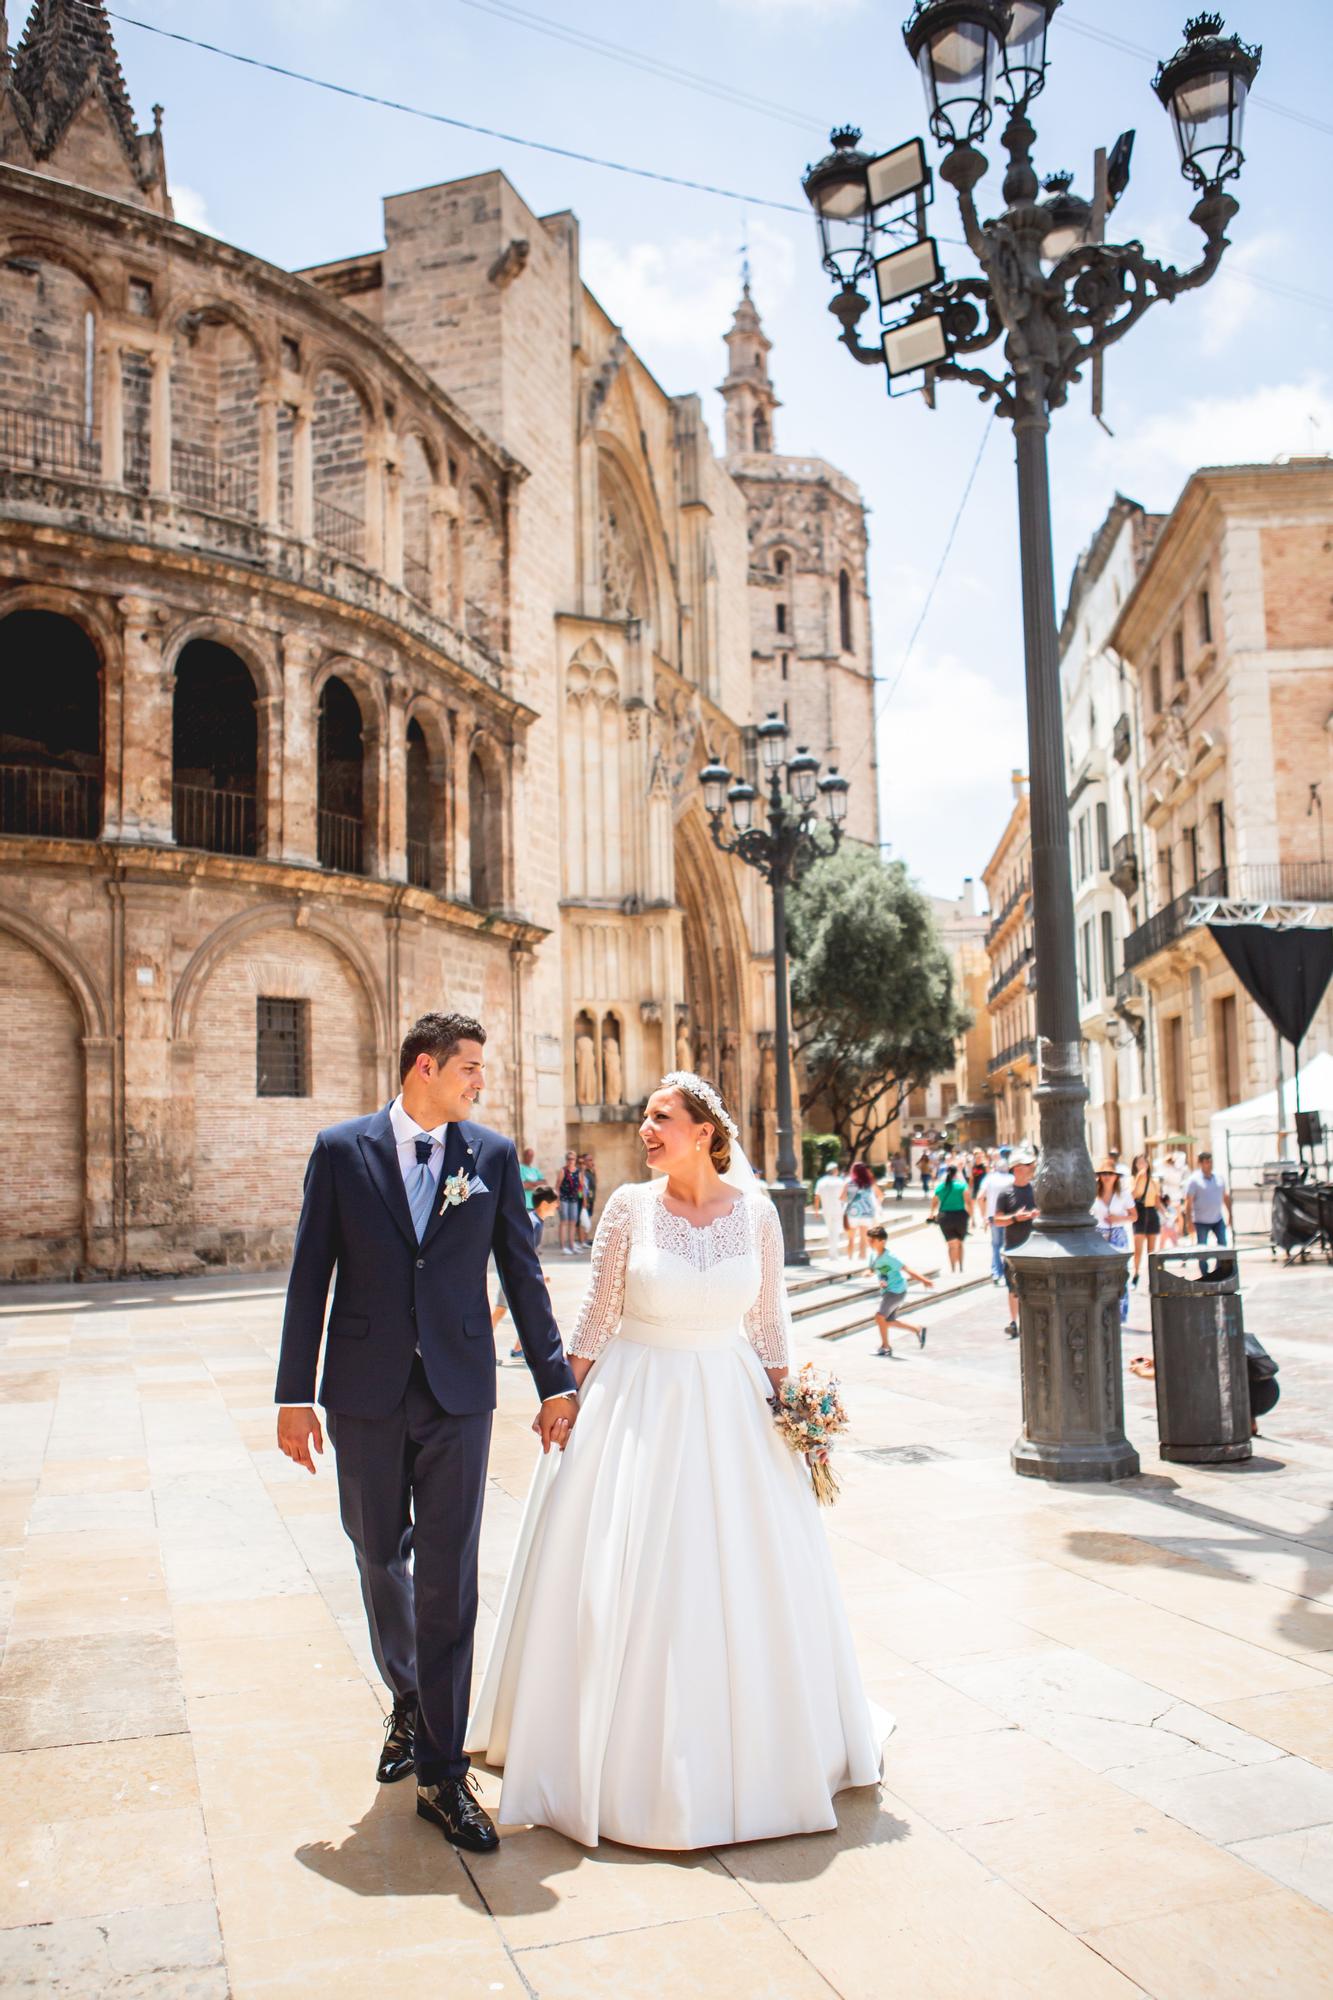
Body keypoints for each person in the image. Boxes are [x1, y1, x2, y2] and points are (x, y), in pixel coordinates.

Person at [465, 1071, 890, 1848]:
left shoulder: (755, 1213)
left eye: (662, 1118)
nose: (646, 1131)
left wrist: (793, 1415)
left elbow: (768, 1324)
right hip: (634, 1402)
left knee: (737, 1569)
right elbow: (595, 1316)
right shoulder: (627, 1208)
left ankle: (758, 1752)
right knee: (626, 1569)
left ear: (704, 1131)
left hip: (729, 1404)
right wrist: (563, 1395)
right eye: (643, 1119)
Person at [274, 1011, 578, 1857]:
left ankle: (443, 1772)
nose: (480, 1081)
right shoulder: (341, 1151)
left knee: (450, 1577)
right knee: (377, 1552)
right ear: (423, 1068)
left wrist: (555, 1380)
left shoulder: (491, 1157)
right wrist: (293, 1396)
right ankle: (409, 1695)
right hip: (363, 1395)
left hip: (458, 1395)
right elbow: (309, 1278)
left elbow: (523, 1273)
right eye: (470, 1067)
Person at [494, 1184, 560, 1359]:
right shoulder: (534, 1223)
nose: (557, 1206)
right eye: (555, 1202)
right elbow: (524, 1252)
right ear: (545, 1204)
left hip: (518, 1274)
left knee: (526, 1311)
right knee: (510, 1311)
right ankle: (507, 1347)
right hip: (517, 1275)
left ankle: (518, 1348)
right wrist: (536, 1276)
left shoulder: (535, 1220)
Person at [866, 1223, 933, 1354]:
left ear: (882, 1241)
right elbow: (873, 1268)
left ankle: (885, 1347)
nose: (870, 1242)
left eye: (872, 1240)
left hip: (896, 1291)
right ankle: (917, 1329)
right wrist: (869, 1272)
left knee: (880, 1317)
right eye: (869, 1240)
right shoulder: (873, 1255)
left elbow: (907, 1269)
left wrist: (924, 1280)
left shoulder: (890, 1257)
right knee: (888, 1321)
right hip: (887, 1292)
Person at [993, 1149, 1037, 1337]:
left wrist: (1037, 1215)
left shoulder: (1036, 1190)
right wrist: (1016, 1218)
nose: (1032, 1168)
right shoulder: (1006, 1193)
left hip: (1036, 1247)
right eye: (1028, 1166)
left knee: (1033, 1286)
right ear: (1017, 1169)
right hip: (1014, 1247)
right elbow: (997, 1220)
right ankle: (1014, 1322)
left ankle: (1031, 1320)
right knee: (1013, 1287)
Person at [1093, 1159, 1135, 1323]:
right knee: (1100, 1273)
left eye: (1109, 1174)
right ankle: (1102, 1310)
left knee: (1120, 1272)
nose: (1106, 1177)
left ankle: (1120, 1311)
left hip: (1117, 1234)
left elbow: (1134, 1216)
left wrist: (1118, 1218)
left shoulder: (1123, 1194)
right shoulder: (1093, 1193)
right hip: (1098, 1234)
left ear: (1116, 1176)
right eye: (1103, 1174)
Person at [1184, 1149, 1233, 1275]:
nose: (1209, 1164)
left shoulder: (1219, 1178)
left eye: (1210, 1162)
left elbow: (1225, 1197)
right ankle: (1205, 1275)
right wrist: (1188, 1221)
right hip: (1200, 1221)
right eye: (1206, 1162)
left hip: (1217, 1218)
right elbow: (1188, 1202)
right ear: (1200, 1163)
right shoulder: (1194, 1180)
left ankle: (1219, 1272)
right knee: (1202, 1250)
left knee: (1222, 1245)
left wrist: (1230, 1214)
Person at [929, 1158, 973, 1274]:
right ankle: (961, 1268)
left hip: (944, 1217)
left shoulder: (940, 1187)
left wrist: (931, 1213)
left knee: (951, 1245)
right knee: (960, 1243)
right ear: (956, 1174)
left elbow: (934, 1201)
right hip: (960, 1216)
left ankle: (953, 1269)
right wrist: (972, 1217)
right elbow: (968, 1202)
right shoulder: (962, 1186)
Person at [976, 1152, 1014, 1287]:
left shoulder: (989, 1178)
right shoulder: (1012, 1179)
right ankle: (1007, 1271)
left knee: (996, 1245)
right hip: (1009, 1217)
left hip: (993, 1216)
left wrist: (984, 1215)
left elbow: (980, 1197)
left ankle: (996, 1273)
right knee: (1008, 1244)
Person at [1130, 1152, 1162, 1287]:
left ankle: (1153, 1278)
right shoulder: (1132, 1179)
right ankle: (1136, 1274)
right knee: (1138, 1249)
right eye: (1139, 1162)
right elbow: (1132, 1195)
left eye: (1144, 1162)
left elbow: (1157, 1201)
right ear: (1135, 1165)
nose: (1142, 1165)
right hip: (1139, 1213)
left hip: (1151, 1213)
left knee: (1152, 1250)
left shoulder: (1155, 1181)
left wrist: (1166, 1213)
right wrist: (1138, 1178)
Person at [844, 1159, 880, 1262]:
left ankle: (850, 1259)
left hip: (853, 1213)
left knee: (851, 1238)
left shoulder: (852, 1183)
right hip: (866, 1213)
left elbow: (849, 1199)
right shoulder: (868, 1184)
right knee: (863, 1238)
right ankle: (862, 1259)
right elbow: (874, 1197)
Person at [814, 1157, 848, 1263]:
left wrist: (816, 1210)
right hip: (837, 1209)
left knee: (830, 1230)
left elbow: (816, 1196)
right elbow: (844, 1196)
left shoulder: (821, 1182)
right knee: (835, 1231)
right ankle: (833, 1254)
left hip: (826, 1210)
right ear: (834, 1171)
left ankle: (832, 1253)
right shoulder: (839, 1181)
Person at [556, 1150, 583, 1256]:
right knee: (564, 1222)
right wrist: (557, 1200)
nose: (571, 1161)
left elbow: (581, 1186)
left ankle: (572, 1245)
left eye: (573, 1159)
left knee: (573, 1222)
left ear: (575, 1160)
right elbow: (557, 1186)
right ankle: (563, 1247)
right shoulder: (563, 1171)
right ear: (566, 1160)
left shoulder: (578, 1172)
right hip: (564, 1199)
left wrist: (583, 1200)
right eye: (569, 1159)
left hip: (574, 1200)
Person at [578, 1151, 598, 1246]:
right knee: (583, 1221)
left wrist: (594, 1171)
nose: (592, 1162)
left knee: (588, 1218)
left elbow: (596, 1183)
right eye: (589, 1160)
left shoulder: (590, 1172)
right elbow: (582, 1187)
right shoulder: (582, 1172)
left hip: (591, 1198)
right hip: (584, 1199)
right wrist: (584, 1200)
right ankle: (582, 1241)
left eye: (592, 1160)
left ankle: (585, 1240)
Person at [518, 1146, 544, 1210]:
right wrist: (537, 1184)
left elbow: (544, 1183)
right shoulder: (520, 1168)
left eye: (532, 1156)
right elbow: (523, 1185)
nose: (531, 1158)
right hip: (525, 1205)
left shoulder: (535, 1170)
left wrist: (530, 1183)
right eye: (529, 1156)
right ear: (524, 1156)